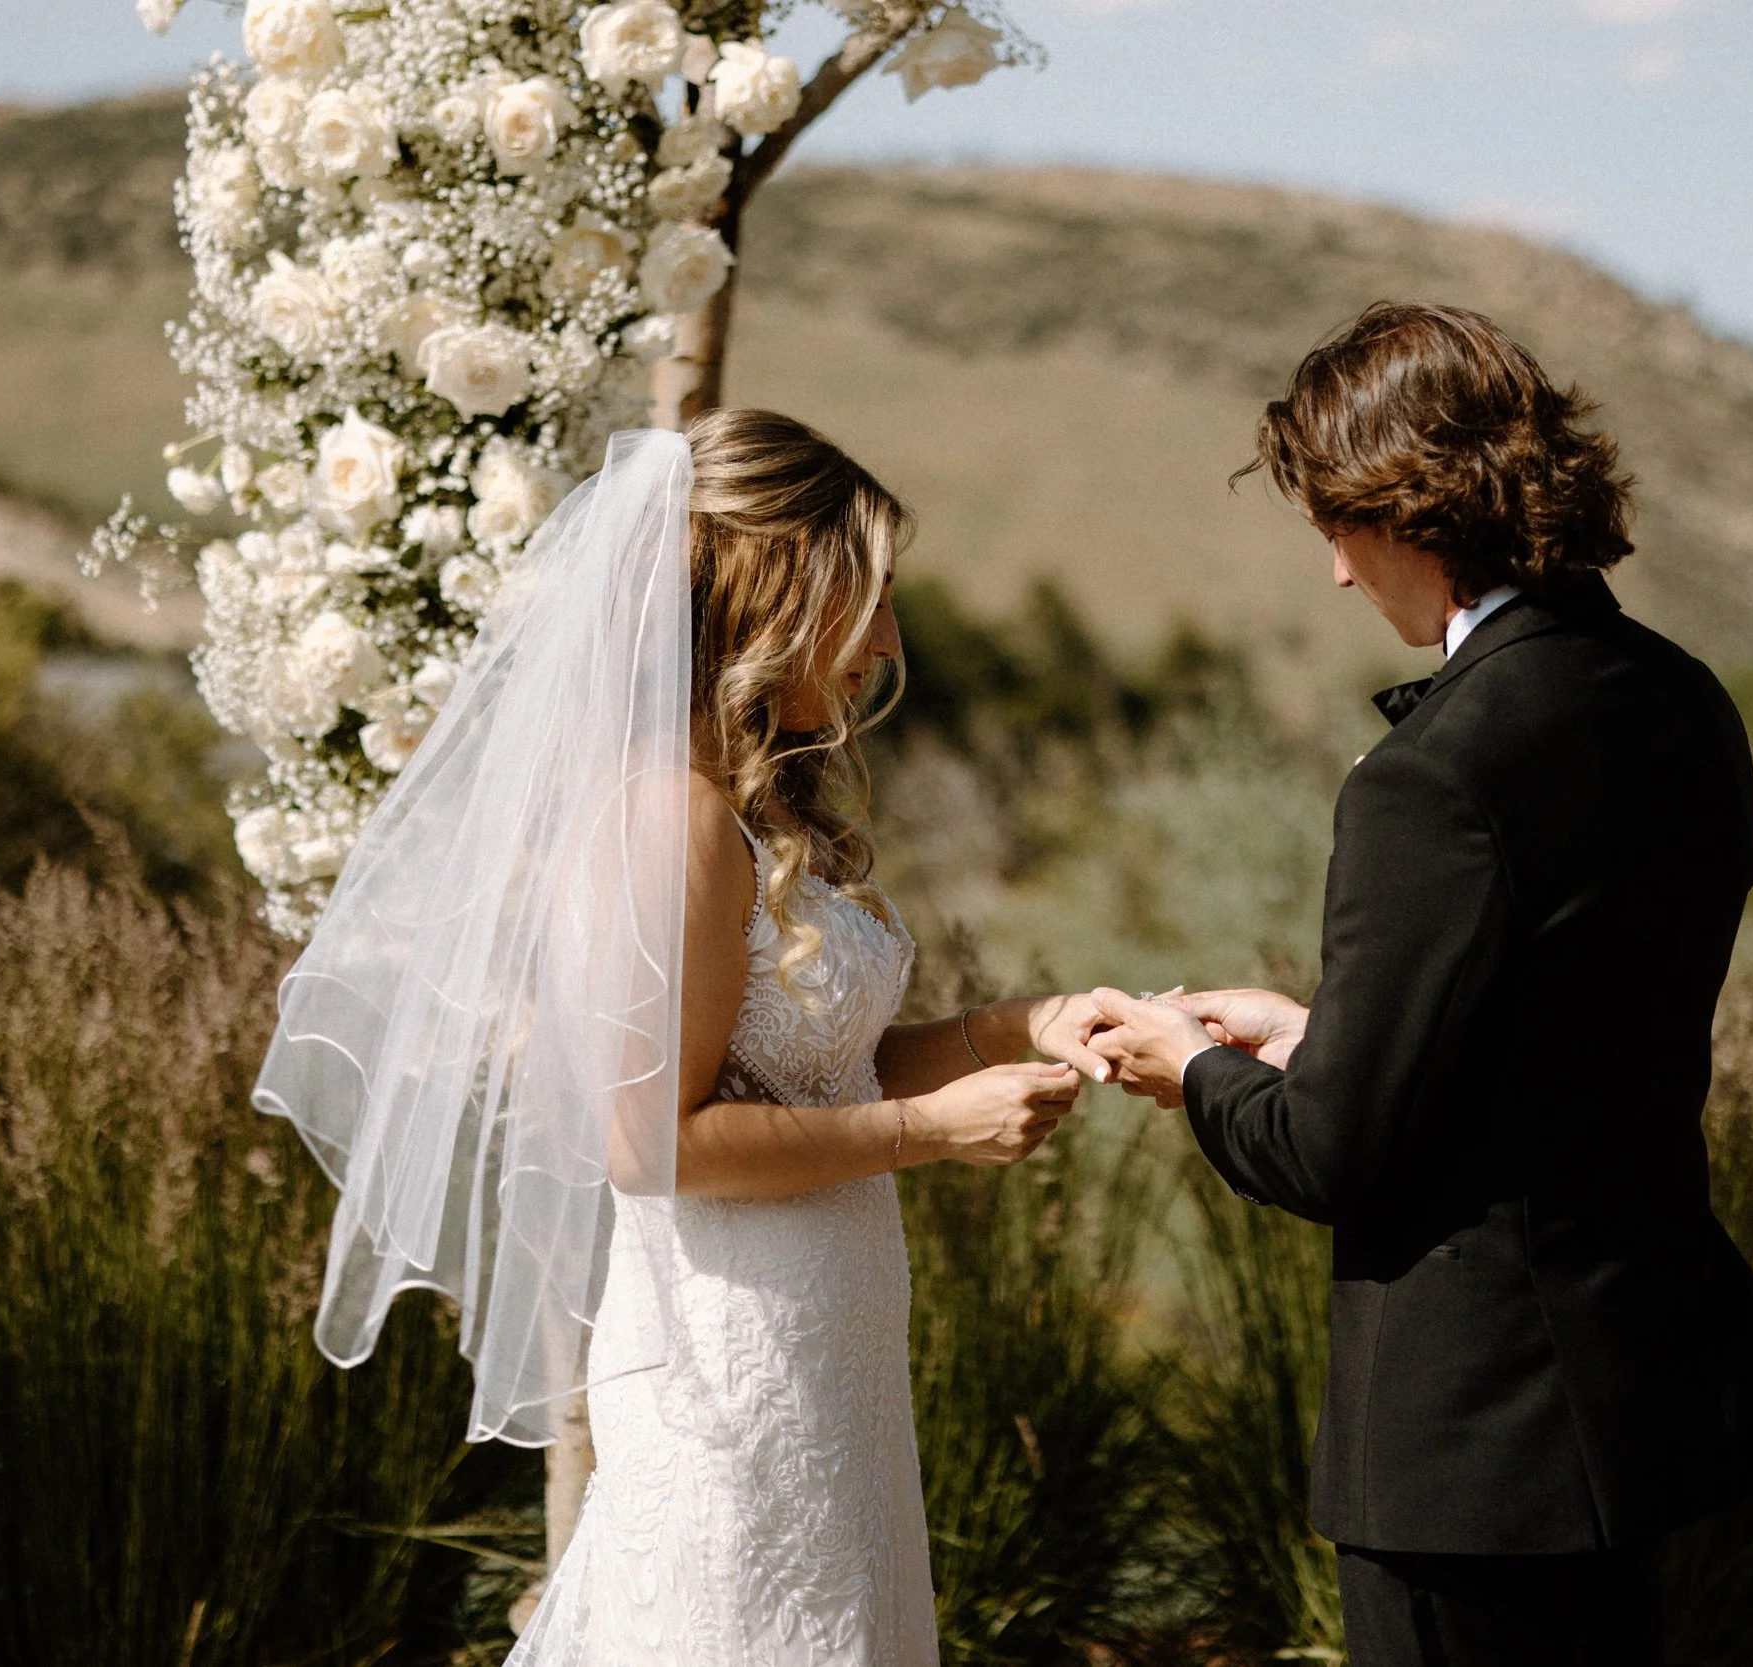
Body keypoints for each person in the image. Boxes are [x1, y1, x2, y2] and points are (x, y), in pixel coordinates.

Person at [255, 410, 1112, 1667]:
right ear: (777, 590)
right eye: (863, 599)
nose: (884, 641)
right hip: (729, 1373)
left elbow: (818, 1070)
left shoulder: (756, 815)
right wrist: (931, 1132)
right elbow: (655, 1140)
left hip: (821, 1362)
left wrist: (1015, 1027)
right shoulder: (676, 822)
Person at [1089, 302, 1753, 1667]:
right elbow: (1567, 1031)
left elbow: (1327, 1151)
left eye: (1337, 525)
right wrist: (1326, 1029)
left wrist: (1189, 1067)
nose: (1332, 570)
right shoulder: (1683, 700)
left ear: (1410, 508)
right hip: (1632, 1398)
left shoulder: (1434, 773)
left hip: (1472, 1449)